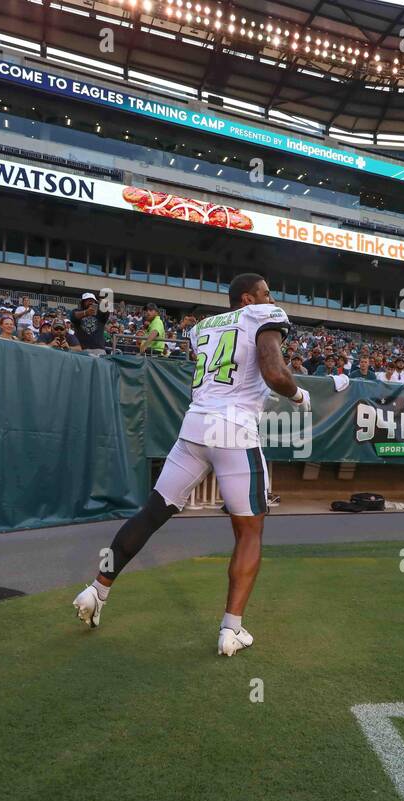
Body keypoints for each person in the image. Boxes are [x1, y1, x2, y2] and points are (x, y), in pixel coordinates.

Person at [73, 273, 311, 657]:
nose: (272, 297)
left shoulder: (202, 327)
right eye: (267, 292)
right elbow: (273, 372)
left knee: (152, 513)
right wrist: (299, 396)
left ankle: (97, 589)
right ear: (250, 299)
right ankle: (231, 628)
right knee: (249, 531)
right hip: (233, 431)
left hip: (196, 426)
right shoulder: (263, 314)